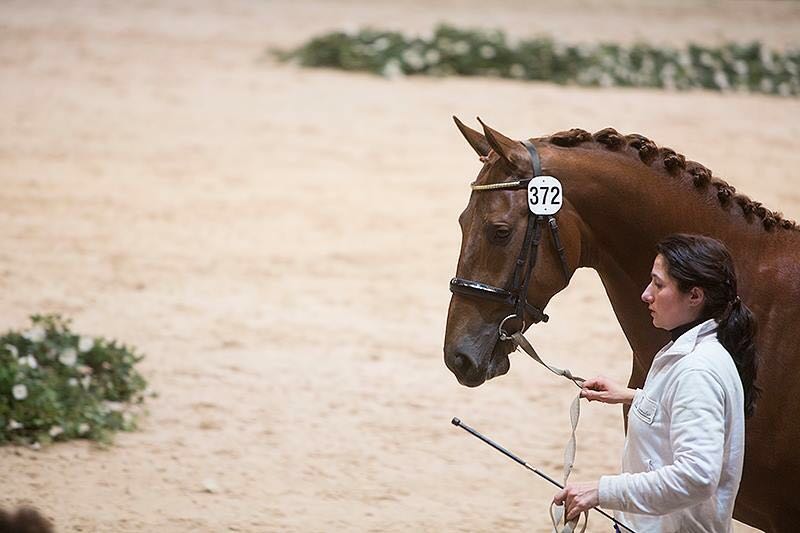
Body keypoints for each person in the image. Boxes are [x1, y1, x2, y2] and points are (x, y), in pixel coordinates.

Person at [553, 234, 760, 532]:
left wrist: (600, 491)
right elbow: (680, 411)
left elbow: (697, 476)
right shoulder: (692, 352)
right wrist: (634, 397)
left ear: (695, 296)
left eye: (659, 285)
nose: (646, 295)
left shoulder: (697, 371)